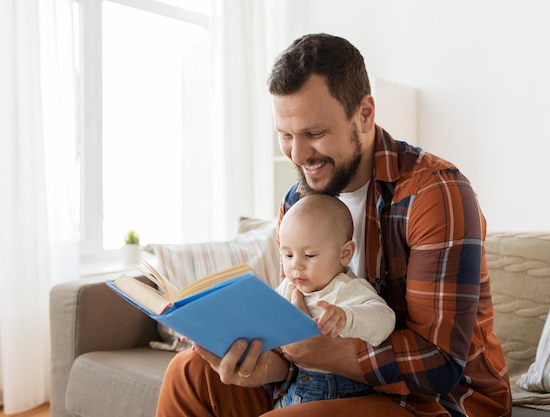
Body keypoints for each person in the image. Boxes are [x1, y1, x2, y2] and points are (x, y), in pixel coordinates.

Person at [156, 33, 512, 417]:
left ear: (365, 114)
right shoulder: (297, 201)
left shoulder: (435, 192)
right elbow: (291, 326)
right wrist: (265, 367)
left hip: (434, 404)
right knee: (187, 373)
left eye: (315, 133)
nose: (298, 154)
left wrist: (322, 351)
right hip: (318, 386)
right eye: (286, 136)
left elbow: (439, 364)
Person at [273, 193, 396, 407]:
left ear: (345, 254)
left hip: (338, 392)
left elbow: (385, 321)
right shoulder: (289, 287)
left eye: (309, 255)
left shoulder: (346, 290)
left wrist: (347, 316)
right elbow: (266, 315)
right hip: (293, 389)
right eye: (288, 255)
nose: (296, 266)